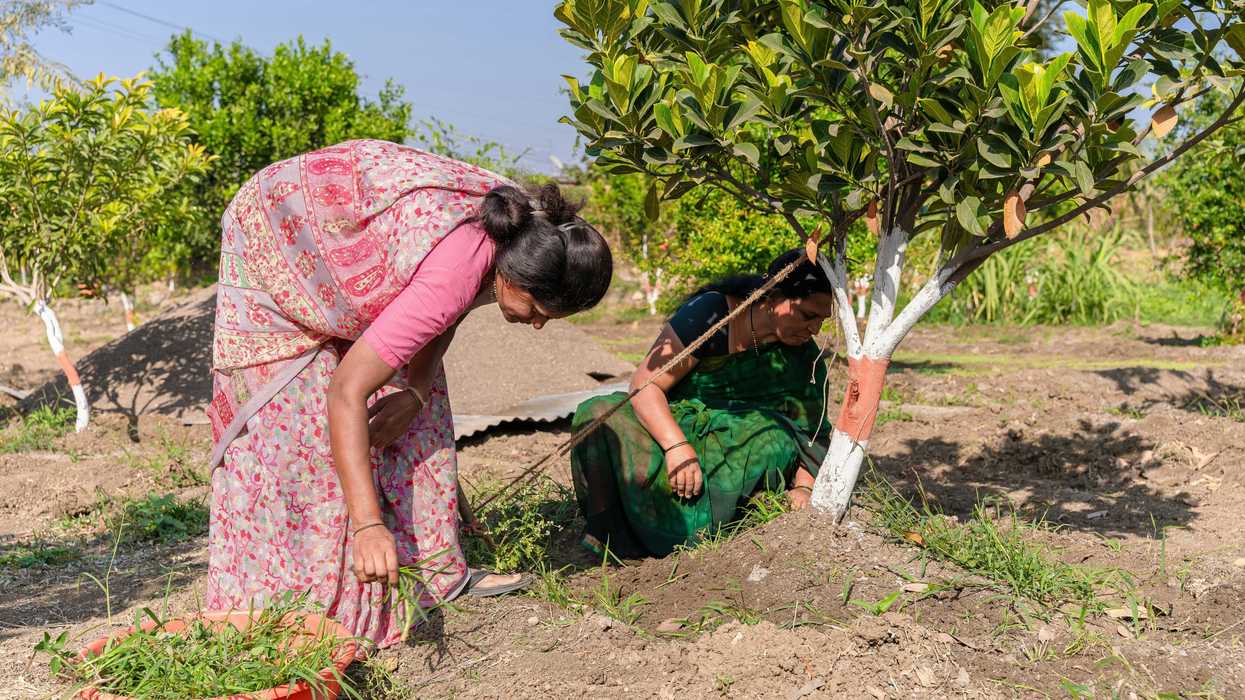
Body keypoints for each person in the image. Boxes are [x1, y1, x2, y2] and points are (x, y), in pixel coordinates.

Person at [205, 139, 612, 648]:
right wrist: (368, 524)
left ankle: (433, 577)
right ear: (518, 278)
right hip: (278, 234)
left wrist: (416, 391)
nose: (534, 328)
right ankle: (281, 610)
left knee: (420, 405)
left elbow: (450, 309)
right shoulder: (461, 269)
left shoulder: (515, 234)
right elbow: (346, 392)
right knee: (303, 437)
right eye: (537, 313)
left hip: (343, 242)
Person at [570, 249, 834, 558]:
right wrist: (676, 447)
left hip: (741, 446)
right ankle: (614, 535)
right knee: (598, 414)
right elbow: (645, 386)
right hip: (676, 429)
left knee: (771, 438)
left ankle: (707, 534)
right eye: (808, 316)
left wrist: (803, 486)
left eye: (822, 320)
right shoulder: (710, 315)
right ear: (773, 296)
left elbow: (812, 430)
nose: (814, 330)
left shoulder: (803, 357)